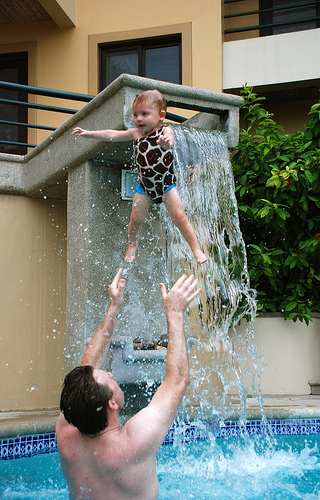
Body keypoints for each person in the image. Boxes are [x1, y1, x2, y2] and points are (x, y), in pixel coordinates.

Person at [56, 268, 201, 500]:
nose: (111, 373)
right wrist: (174, 313)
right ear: (112, 403)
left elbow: (86, 372)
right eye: (109, 380)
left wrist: (113, 307)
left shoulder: (66, 432)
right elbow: (178, 381)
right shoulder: (134, 442)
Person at [72, 89, 207, 265]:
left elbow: (169, 141)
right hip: (145, 187)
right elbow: (114, 135)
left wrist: (166, 144)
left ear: (161, 115)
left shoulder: (165, 130)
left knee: (179, 218)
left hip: (166, 186)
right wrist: (89, 133)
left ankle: (196, 250)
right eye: (136, 115)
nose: (139, 119)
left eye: (144, 114)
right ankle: (132, 246)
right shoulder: (136, 134)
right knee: (136, 219)